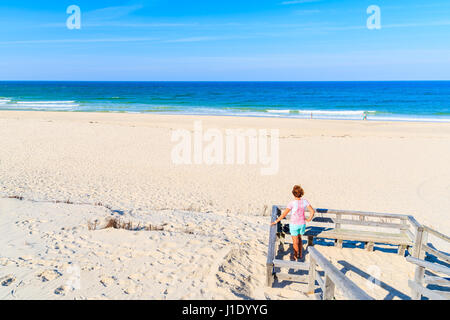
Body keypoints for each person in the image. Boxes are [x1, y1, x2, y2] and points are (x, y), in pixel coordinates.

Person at [271, 185, 315, 260]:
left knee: (295, 242)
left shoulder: (292, 203)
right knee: (300, 239)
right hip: (302, 224)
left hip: (294, 225)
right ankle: (300, 254)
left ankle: (295, 255)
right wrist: (309, 219)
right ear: (302, 193)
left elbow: (284, 214)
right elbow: (312, 211)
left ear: (293, 194)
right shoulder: (305, 201)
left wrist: (275, 221)